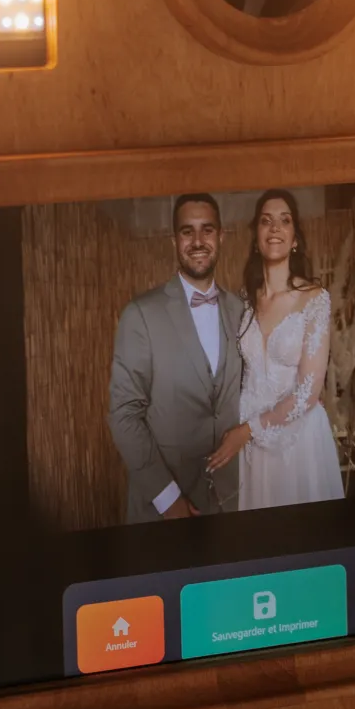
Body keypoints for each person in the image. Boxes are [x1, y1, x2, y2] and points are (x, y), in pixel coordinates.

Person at [107, 193, 246, 522]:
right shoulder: (140, 314)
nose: (198, 241)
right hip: (164, 510)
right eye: (187, 231)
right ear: (174, 240)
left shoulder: (242, 311)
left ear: (221, 237)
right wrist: (169, 500)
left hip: (232, 501)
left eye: (207, 230)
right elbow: (124, 416)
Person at [205, 189, 345, 509]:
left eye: (285, 220)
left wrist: (248, 430)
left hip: (298, 440)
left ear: (295, 237)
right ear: (256, 237)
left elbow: (309, 392)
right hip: (254, 447)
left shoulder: (314, 299)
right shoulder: (243, 301)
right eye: (266, 221)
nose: (275, 228)